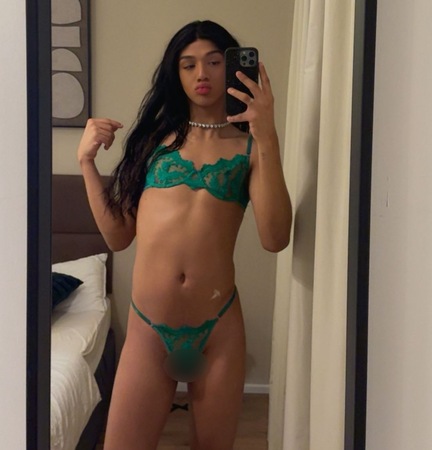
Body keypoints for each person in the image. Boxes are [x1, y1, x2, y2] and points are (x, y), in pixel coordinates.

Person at [77, 19, 292, 450]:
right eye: (188, 64)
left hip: (218, 329)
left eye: (214, 62)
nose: (201, 74)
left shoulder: (251, 147)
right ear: (175, 74)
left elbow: (275, 238)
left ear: (233, 68)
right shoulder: (153, 142)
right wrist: (86, 163)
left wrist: (267, 134)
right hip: (148, 328)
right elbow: (119, 237)